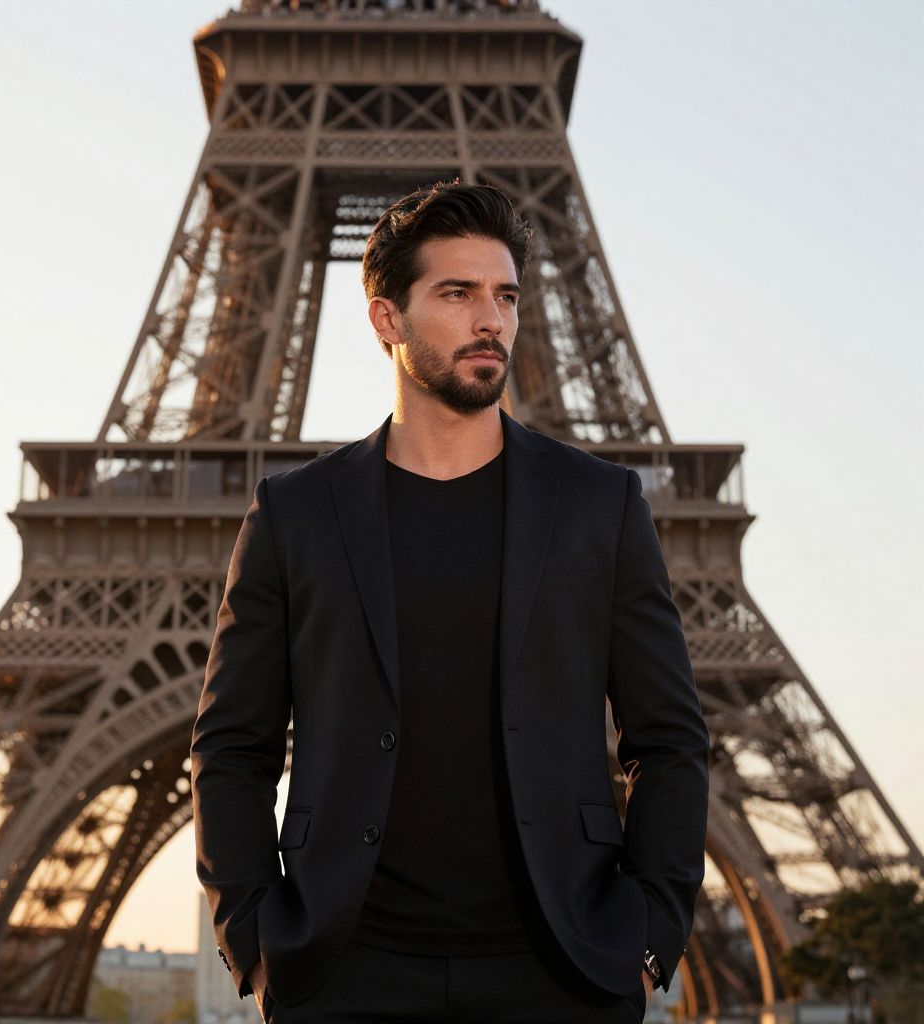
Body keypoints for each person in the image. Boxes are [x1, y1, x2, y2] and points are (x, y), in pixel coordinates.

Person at [190, 181, 710, 1022]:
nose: (490, 319)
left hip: (562, 970)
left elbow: (671, 738)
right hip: (345, 973)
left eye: (504, 295)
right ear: (386, 319)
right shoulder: (296, 515)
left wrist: (645, 942)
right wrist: (255, 942)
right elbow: (233, 744)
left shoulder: (598, 505)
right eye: (457, 293)